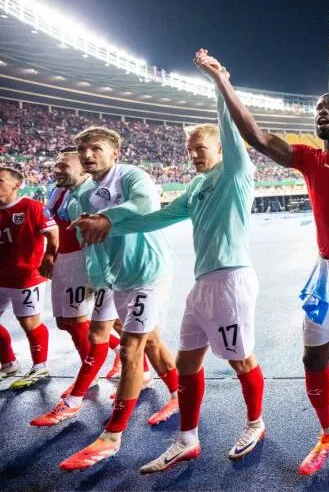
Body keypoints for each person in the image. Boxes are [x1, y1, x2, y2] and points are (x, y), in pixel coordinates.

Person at [72, 50, 267, 472]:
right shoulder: (197, 187)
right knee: (187, 362)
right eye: (189, 150)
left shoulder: (235, 172)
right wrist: (106, 225)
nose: (193, 155)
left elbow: (233, 130)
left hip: (231, 279)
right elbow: (156, 218)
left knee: (240, 360)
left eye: (200, 148)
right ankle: (187, 439)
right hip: (203, 285)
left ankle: (256, 422)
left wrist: (218, 81)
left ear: (218, 148)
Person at [211, 16, 329, 475]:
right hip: (327, 272)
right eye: (318, 108)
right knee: (313, 355)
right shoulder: (309, 158)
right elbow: (255, 136)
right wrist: (223, 82)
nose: (322, 111)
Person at [32, 127, 180, 471]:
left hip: (150, 272)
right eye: (83, 150)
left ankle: (111, 436)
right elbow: (92, 248)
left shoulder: (130, 175)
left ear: (115, 152)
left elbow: (144, 204)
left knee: (130, 349)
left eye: (96, 148)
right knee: (154, 344)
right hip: (120, 279)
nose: (88, 155)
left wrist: (106, 217)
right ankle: (178, 396)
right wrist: (102, 284)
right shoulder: (79, 197)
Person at [44, 148, 122, 386]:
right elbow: (54, 225)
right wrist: (50, 254)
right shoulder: (57, 191)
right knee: (66, 322)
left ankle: (89, 377)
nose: (57, 169)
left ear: (81, 168)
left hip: (82, 259)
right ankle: (120, 351)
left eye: (63, 165)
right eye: (56, 164)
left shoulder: (92, 193)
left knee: (80, 322)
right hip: (64, 259)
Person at [0, 166, 57, 389]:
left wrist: (49, 257)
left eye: (0, 180)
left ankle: (40, 365)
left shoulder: (32, 207)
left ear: (16, 185)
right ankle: (8, 364)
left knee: (28, 322)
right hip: (1, 275)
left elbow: (53, 233)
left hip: (26, 276)